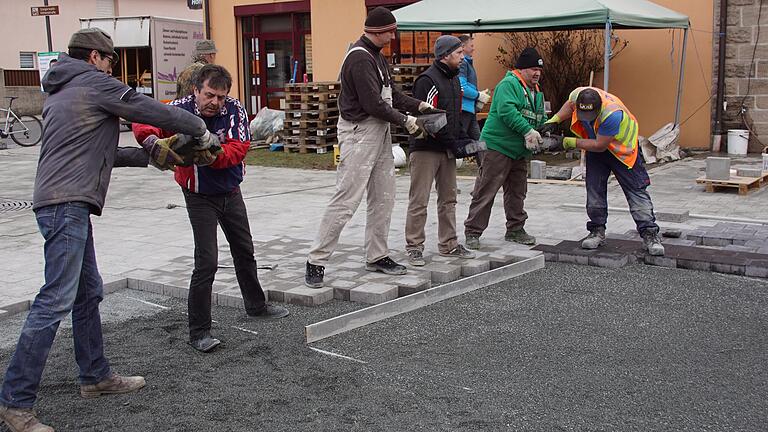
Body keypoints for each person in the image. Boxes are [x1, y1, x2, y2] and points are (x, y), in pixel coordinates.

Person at [0, 28, 218, 432]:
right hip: (66, 204)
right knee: (54, 301)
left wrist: (155, 156)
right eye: (112, 60)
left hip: (63, 203)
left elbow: (101, 152)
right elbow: (149, 109)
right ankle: (14, 403)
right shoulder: (91, 82)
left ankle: (95, 377)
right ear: (96, 57)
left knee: (87, 293)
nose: (114, 67)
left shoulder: (63, 91)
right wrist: (200, 130)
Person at [133, 64, 289, 353]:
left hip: (230, 190)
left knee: (245, 250)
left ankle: (256, 305)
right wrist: (152, 141)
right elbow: (143, 119)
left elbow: (240, 147)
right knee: (207, 262)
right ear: (195, 90)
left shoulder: (235, 109)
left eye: (220, 96)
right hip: (198, 194)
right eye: (209, 95)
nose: (215, 102)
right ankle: (199, 332)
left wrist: (211, 155)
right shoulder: (178, 109)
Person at [304, 6, 435, 288]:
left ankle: (377, 255)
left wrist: (417, 105)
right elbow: (372, 104)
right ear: (377, 31)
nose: (393, 35)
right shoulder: (360, 59)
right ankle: (316, 260)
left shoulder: (376, 56)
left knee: (383, 197)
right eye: (390, 31)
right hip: (359, 133)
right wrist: (407, 121)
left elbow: (391, 95)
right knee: (346, 200)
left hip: (379, 132)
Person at [538, 87, 665, 255]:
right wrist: (554, 120)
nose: (587, 120)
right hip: (596, 148)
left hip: (622, 151)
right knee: (594, 189)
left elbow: (600, 145)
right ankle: (597, 230)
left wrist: (566, 142)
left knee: (636, 191)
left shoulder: (612, 114)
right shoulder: (578, 95)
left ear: (598, 108)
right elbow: (570, 105)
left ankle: (650, 233)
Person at [463, 47, 546, 250]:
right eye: (533, 69)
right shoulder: (509, 84)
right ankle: (473, 231)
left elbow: (540, 116)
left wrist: (542, 127)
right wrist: (527, 130)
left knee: (517, 191)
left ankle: (516, 229)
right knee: (486, 190)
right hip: (496, 147)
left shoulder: (535, 91)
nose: (537, 73)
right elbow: (506, 110)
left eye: (539, 69)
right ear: (522, 68)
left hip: (518, 150)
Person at [405, 35, 476, 266]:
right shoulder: (427, 80)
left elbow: (454, 115)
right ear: (445, 55)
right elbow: (429, 119)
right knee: (419, 199)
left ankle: (449, 244)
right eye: (458, 54)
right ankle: (414, 246)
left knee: (449, 198)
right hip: (426, 148)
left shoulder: (455, 79)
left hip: (447, 148)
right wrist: (451, 142)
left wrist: (464, 139)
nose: (463, 58)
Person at [457, 34, 490, 141]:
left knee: (478, 141)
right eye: (471, 45)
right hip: (464, 109)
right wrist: (478, 95)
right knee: (466, 139)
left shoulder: (467, 63)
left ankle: (482, 158)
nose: (473, 48)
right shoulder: (463, 64)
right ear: (462, 46)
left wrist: (478, 94)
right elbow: (462, 87)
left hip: (468, 109)